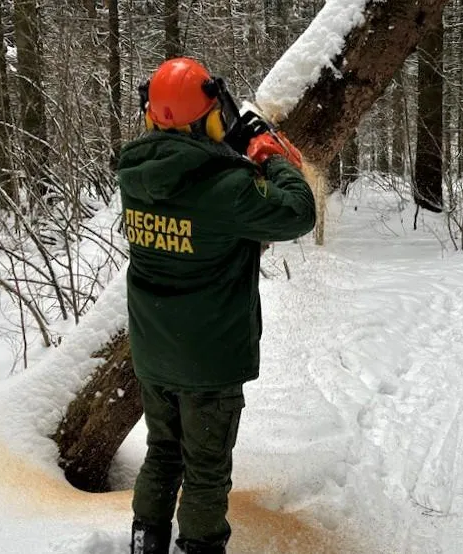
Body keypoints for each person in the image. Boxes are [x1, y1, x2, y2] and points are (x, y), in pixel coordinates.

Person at [118, 57, 316, 554]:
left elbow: (186, 186)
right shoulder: (227, 189)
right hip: (207, 360)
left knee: (163, 453)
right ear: (209, 119)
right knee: (206, 471)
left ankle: (146, 542)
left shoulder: (135, 176)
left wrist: (222, 153)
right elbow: (298, 213)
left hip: (154, 350)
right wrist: (269, 156)